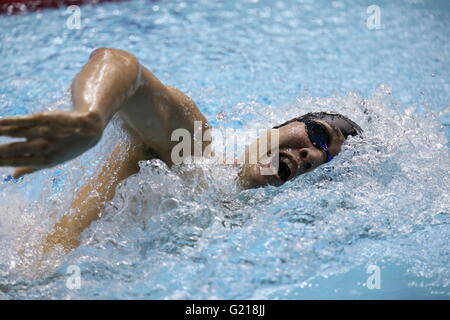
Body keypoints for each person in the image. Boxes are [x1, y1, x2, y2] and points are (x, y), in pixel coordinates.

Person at [0, 48, 362, 253]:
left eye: (325, 159)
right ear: (282, 124)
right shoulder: (195, 148)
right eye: (316, 134)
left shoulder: (243, 220)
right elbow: (120, 66)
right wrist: (90, 119)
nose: (312, 156)